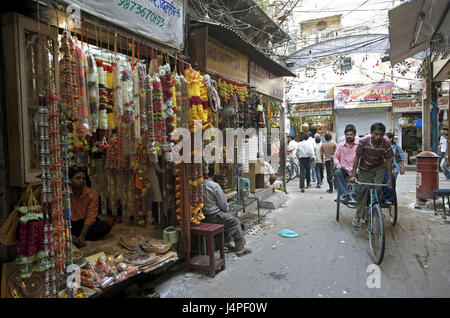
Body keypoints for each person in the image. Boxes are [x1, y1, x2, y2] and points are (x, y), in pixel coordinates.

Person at [350, 123, 394, 229]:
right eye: (376, 134)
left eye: (380, 134)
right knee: (362, 189)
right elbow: (357, 158)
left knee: (378, 187)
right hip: (365, 168)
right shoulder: (363, 142)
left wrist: (390, 179)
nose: (378, 137)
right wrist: (353, 175)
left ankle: (375, 208)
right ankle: (358, 216)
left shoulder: (386, 143)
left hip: (379, 167)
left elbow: (388, 161)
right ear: (371, 133)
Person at [202, 164, 252, 257]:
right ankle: (240, 249)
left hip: (203, 216)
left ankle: (227, 242)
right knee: (235, 222)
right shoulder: (214, 185)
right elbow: (224, 205)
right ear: (214, 173)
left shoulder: (199, 184)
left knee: (226, 218)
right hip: (213, 216)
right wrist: (225, 208)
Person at [69, 167, 111, 248]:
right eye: (78, 178)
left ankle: (77, 239)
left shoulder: (92, 193)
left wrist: (82, 236)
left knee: (105, 227)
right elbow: (62, 217)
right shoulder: (64, 194)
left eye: (83, 179)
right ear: (70, 180)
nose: (81, 181)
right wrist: (69, 234)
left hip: (85, 224)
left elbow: (91, 216)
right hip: (71, 225)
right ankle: (72, 238)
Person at [334, 124, 359, 202]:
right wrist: (338, 165)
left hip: (357, 170)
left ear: (354, 135)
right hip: (344, 170)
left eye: (351, 135)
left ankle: (356, 194)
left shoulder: (359, 145)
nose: (349, 136)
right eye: (347, 135)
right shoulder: (340, 145)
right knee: (337, 172)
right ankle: (345, 194)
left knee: (365, 175)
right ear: (345, 135)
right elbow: (335, 157)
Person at [382, 133, 405, 204]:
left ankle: (389, 197)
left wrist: (402, 168)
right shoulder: (382, 146)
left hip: (394, 167)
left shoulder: (396, 147)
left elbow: (402, 158)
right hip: (383, 167)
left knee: (391, 180)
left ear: (391, 139)